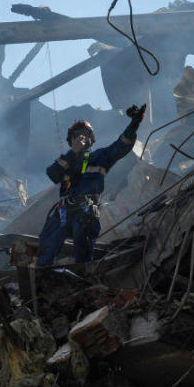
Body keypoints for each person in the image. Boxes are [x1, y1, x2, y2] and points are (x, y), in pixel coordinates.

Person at [36, 104, 146, 266]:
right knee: (46, 244)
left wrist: (134, 124)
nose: (80, 138)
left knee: (83, 252)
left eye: (84, 135)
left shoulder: (101, 156)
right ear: (71, 140)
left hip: (85, 212)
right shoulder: (67, 160)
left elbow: (122, 145)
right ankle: (38, 280)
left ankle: (81, 282)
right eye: (77, 135)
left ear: (91, 139)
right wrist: (73, 154)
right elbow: (53, 174)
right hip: (63, 211)